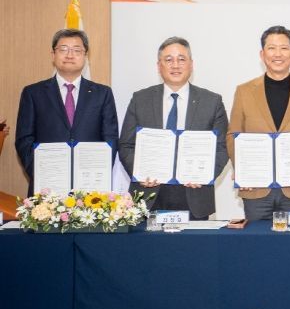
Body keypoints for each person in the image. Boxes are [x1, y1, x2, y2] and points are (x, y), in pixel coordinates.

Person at [119, 37, 228, 220]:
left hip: (194, 195)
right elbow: (126, 145)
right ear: (158, 65)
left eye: (181, 59)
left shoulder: (212, 101)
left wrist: (204, 175)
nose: (175, 65)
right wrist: (139, 173)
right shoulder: (140, 99)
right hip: (148, 195)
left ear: (191, 64)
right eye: (168, 59)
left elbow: (222, 147)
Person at [227, 26, 290, 220]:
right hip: (256, 188)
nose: (278, 54)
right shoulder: (244, 91)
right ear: (262, 54)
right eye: (272, 48)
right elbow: (233, 135)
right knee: (257, 239)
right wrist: (242, 170)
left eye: (284, 48)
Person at [15, 29, 118, 196]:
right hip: (46, 188)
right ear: (53, 54)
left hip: (90, 189)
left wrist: (97, 173)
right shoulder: (33, 93)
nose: (70, 55)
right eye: (63, 49)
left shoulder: (103, 93)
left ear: (85, 56)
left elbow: (110, 139)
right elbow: (24, 140)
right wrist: (40, 172)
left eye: (77, 50)